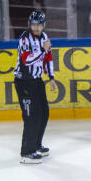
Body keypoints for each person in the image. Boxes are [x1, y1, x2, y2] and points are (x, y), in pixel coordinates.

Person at [13, 11, 57, 164]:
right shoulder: (25, 39)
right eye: (33, 24)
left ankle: (36, 145)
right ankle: (27, 152)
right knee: (31, 116)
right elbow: (27, 60)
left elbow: (48, 58)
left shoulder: (44, 38)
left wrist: (51, 77)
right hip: (24, 82)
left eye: (39, 25)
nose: (36, 27)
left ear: (43, 25)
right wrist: (44, 50)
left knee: (44, 113)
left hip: (37, 81)